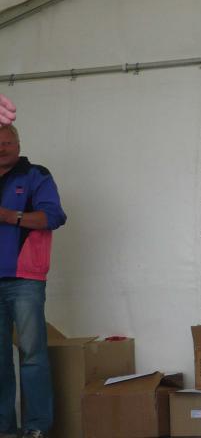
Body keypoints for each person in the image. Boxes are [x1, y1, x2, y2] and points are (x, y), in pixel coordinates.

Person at [0, 124, 67, 438]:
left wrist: (9, 216)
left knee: (32, 355)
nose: (2, 148)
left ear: (18, 144)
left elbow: (54, 216)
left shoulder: (36, 175)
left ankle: (36, 427)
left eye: (7, 142)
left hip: (25, 278)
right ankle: (4, 428)